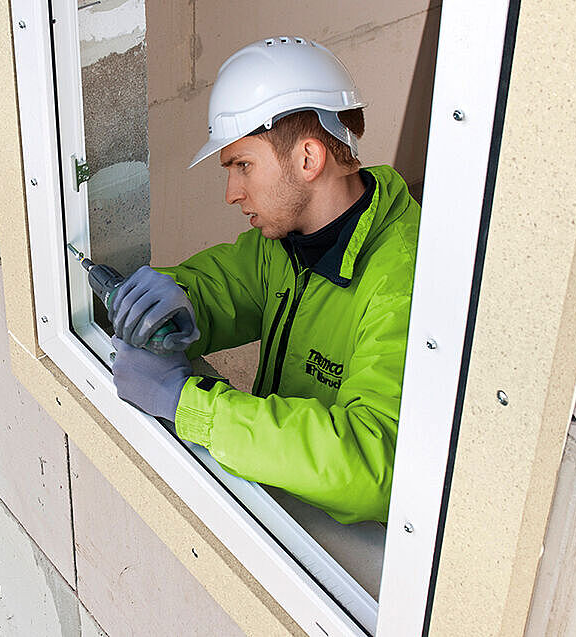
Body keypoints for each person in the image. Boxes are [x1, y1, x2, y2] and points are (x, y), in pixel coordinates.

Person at [109, 38, 420, 524]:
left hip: (339, 564)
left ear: (308, 159)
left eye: (243, 166)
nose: (232, 193)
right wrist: (177, 301)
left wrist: (189, 404)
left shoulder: (402, 281)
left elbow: (372, 461)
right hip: (283, 502)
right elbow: (229, 285)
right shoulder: (290, 241)